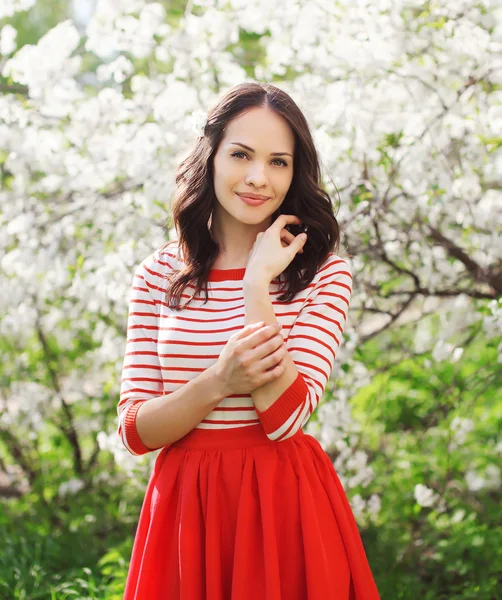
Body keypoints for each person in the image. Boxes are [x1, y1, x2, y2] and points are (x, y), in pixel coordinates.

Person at [118, 81, 380, 599]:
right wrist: (218, 381)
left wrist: (256, 285)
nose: (259, 177)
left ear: (295, 172)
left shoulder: (324, 274)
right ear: (210, 156)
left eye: (279, 162)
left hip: (282, 504)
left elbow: (283, 418)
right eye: (241, 154)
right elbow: (135, 431)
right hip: (185, 508)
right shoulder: (157, 274)